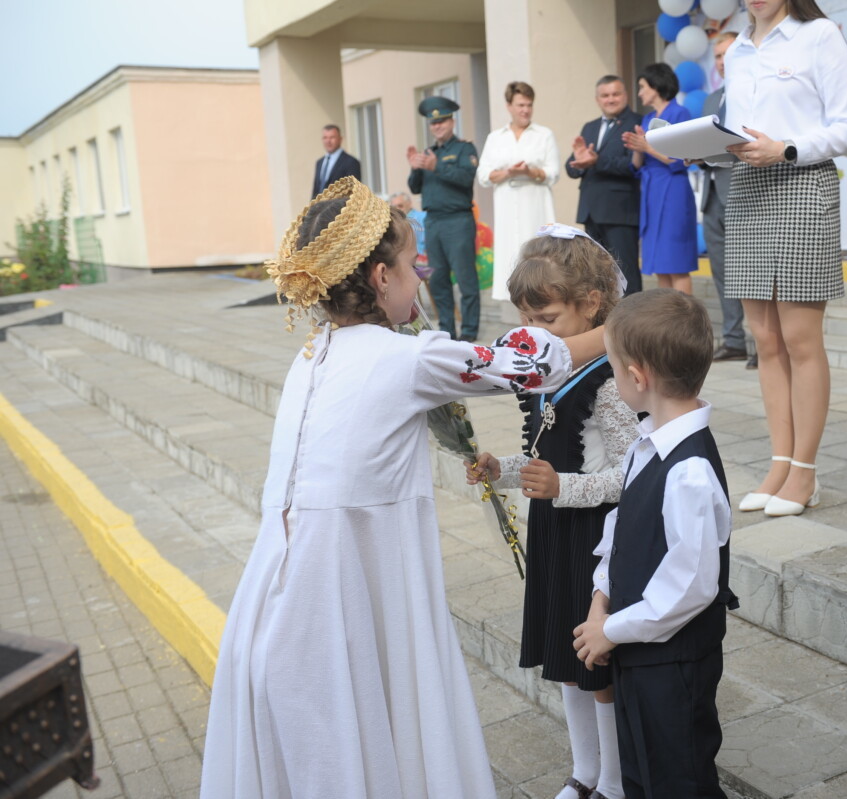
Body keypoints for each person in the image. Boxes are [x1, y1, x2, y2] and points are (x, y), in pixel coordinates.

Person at [200, 177, 606, 799]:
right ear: (380, 279)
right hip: (345, 591)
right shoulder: (406, 359)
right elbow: (529, 362)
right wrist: (621, 329)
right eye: (412, 263)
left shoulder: (312, 353)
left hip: (279, 592)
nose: (422, 275)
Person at [467, 225, 638, 799]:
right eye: (527, 323)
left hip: (592, 534)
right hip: (553, 531)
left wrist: (564, 488)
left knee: (596, 665)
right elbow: (544, 457)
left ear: (591, 305)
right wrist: (503, 469)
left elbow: (632, 475)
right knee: (566, 660)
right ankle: (584, 771)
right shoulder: (545, 375)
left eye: (548, 322)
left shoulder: (608, 379)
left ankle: (614, 781)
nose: (536, 336)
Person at [573, 289, 737, 799]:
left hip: (673, 666)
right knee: (640, 766)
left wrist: (613, 629)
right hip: (636, 651)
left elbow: (689, 585)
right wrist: (602, 598)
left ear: (637, 377)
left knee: (678, 777)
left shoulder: (688, 469)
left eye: (613, 366)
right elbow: (622, 527)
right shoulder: (647, 444)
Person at [721, 0, 847, 517]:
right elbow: (737, 132)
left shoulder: (818, 35)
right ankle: (780, 463)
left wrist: (786, 148)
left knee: (801, 339)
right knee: (764, 339)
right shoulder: (735, 50)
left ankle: (805, 472)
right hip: (746, 189)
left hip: (802, 184)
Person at [476, 82, 560, 302]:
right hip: (506, 210)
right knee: (511, 265)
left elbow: (553, 172)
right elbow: (484, 175)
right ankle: (521, 328)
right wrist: (509, 173)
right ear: (509, 106)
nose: (525, 110)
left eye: (529, 105)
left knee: (540, 263)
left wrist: (529, 171)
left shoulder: (544, 135)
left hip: (535, 207)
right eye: (521, 105)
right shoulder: (495, 137)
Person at [407, 96, 480, 341]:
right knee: (438, 280)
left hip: (458, 221)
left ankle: (469, 333)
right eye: (433, 123)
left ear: (452, 121)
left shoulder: (464, 149)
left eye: (442, 121)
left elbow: (466, 178)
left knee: (465, 279)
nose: (437, 126)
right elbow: (415, 187)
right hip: (434, 222)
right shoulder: (429, 152)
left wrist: (436, 166)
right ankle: (447, 330)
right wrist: (416, 166)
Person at [621, 64, 697, 294]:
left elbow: (680, 158)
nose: (640, 92)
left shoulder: (679, 113)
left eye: (643, 87)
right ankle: (668, 321)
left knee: (677, 262)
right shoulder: (647, 119)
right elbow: (638, 162)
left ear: (656, 86)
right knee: (662, 264)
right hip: (651, 190)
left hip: (673, 189)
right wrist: (636, 146)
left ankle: (685, 320)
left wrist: (647, 146)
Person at [565, 76, 643, 295]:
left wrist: (596, 160)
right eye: (605, 95)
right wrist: (578, 162)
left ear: (625, 95)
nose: (611, 99)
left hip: (620, 212)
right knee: (594, 276)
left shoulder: (637, 122)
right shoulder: (589, 127)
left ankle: (632, 328)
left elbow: (632, 165)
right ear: (597, 99)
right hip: (591, 212)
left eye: (615, 94)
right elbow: (571, 169)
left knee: (626, 276)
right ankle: (602, 327)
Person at [700, 32, 748, 363]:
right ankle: (733, 340)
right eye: (716, 56)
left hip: (744, 192)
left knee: (750, 271)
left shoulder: (752, 94)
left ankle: (760, 344)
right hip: (712, 193)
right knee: (723, 272)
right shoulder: (710, 100)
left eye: (726, 53)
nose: (720, 61)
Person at [311, 124, 361, 198]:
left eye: (332, 137)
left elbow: (352, 192)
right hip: (320, 209)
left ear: (340, 139)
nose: (328, 141)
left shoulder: (351, 162)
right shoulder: (319, 162)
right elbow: (316, 191)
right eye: (325, 138)